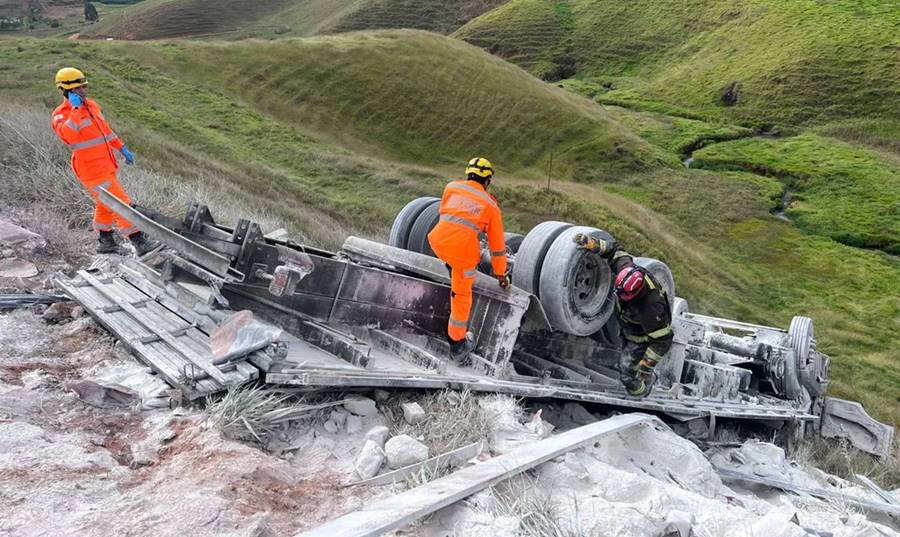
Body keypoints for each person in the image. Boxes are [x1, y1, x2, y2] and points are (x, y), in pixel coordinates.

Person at [50, 67, 157, 256]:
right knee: (120, 203)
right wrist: (75, 109)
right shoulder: (61, 114)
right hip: (90, 169)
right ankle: (139, 242)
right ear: (65, 90)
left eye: (84, 86)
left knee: (105, 203)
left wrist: (121, 147)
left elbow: (105, 131)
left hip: (106, 164)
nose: (83, 90)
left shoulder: (92, 105)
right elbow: (69, 136)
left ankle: (105, 242)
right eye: (78, 88)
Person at [428, 157, 511, 359]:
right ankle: (457, 344)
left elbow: (450, 216)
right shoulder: (490, 206)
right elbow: (497, 248)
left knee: (454, 263)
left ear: (468, 174)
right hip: (461, 255)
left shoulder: (451, 187)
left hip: (438, 241)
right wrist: (501, 274)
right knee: (462, 296)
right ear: (487, 181)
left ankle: (450, 266)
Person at [573, 232, 673, 397]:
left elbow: (663, 340)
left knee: (627, 373)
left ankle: (642, 392)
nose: (619, 296)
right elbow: (615, 250)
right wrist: (592, 243)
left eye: (624, 295)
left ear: (637, 292)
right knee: (621, 350)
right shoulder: (627, 270)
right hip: (627, 324)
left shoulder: (651, 307)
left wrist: (646, 365)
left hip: (640, 338)